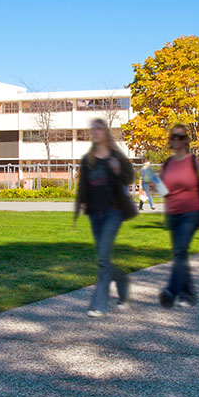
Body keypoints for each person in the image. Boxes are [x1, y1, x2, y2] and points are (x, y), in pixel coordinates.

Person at [73, 119, 134, 317]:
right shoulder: (88, 158)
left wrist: (118, 170)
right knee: (103, 258)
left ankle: (98, 304)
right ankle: (122, 281)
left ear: (105, 132)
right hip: (94, 213)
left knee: (102, 259)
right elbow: (83, 185)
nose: (95, 132)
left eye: (99, 129)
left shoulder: (115, 156)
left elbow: (130, 177)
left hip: (113, 212)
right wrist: (81, 204)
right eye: (93, 129)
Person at [159, 124, 199, 309]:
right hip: (173, 214)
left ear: (186, 140)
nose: (176, 140)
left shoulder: (193, 162)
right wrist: (154, 186)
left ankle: (171, 291)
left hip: (192, 212)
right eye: (173, 136)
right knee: (180, 254)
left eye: (180, 137)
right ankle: (187, 294)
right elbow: (164, 191)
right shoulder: (168, 164)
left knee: (180, 251)